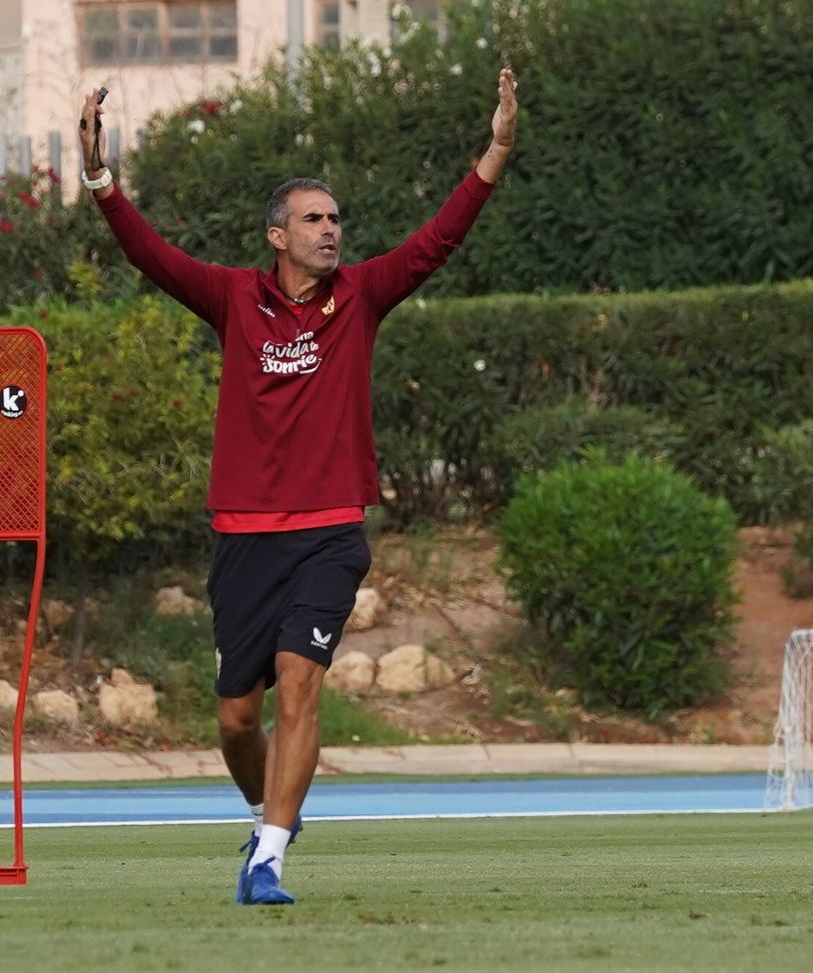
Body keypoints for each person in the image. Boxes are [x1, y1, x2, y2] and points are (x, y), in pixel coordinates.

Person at [77, 66, 519, 905]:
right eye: (314, 219)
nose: (332, 230)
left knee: (303, 676)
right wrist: (101, 177)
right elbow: (149, 253)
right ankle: (262, 810)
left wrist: (495, 150)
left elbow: (438, 239)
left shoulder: (365, 295)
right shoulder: (231, 297)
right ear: (276, 234)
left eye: (337, 219)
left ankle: (270, 857)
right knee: (238, 717)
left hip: (328, 531)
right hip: (244, 534)